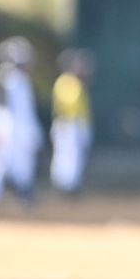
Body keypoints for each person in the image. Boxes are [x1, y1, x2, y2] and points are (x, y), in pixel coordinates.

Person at [0, 36, 42, 206]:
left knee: (22, 162)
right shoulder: (6, 77)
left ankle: (22, 192)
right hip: (9, 127)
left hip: (21, 128)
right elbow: (1, 107)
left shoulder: (21, 80)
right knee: (1, 160)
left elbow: (26, 110)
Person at [50, 48, 94, 195]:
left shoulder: (77, 82)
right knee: (67, 156)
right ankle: (64, 186)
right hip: (67, 124)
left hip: (77, 124)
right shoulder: (66, 81)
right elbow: (69, 105)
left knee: (76, 157)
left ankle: (72, 185)